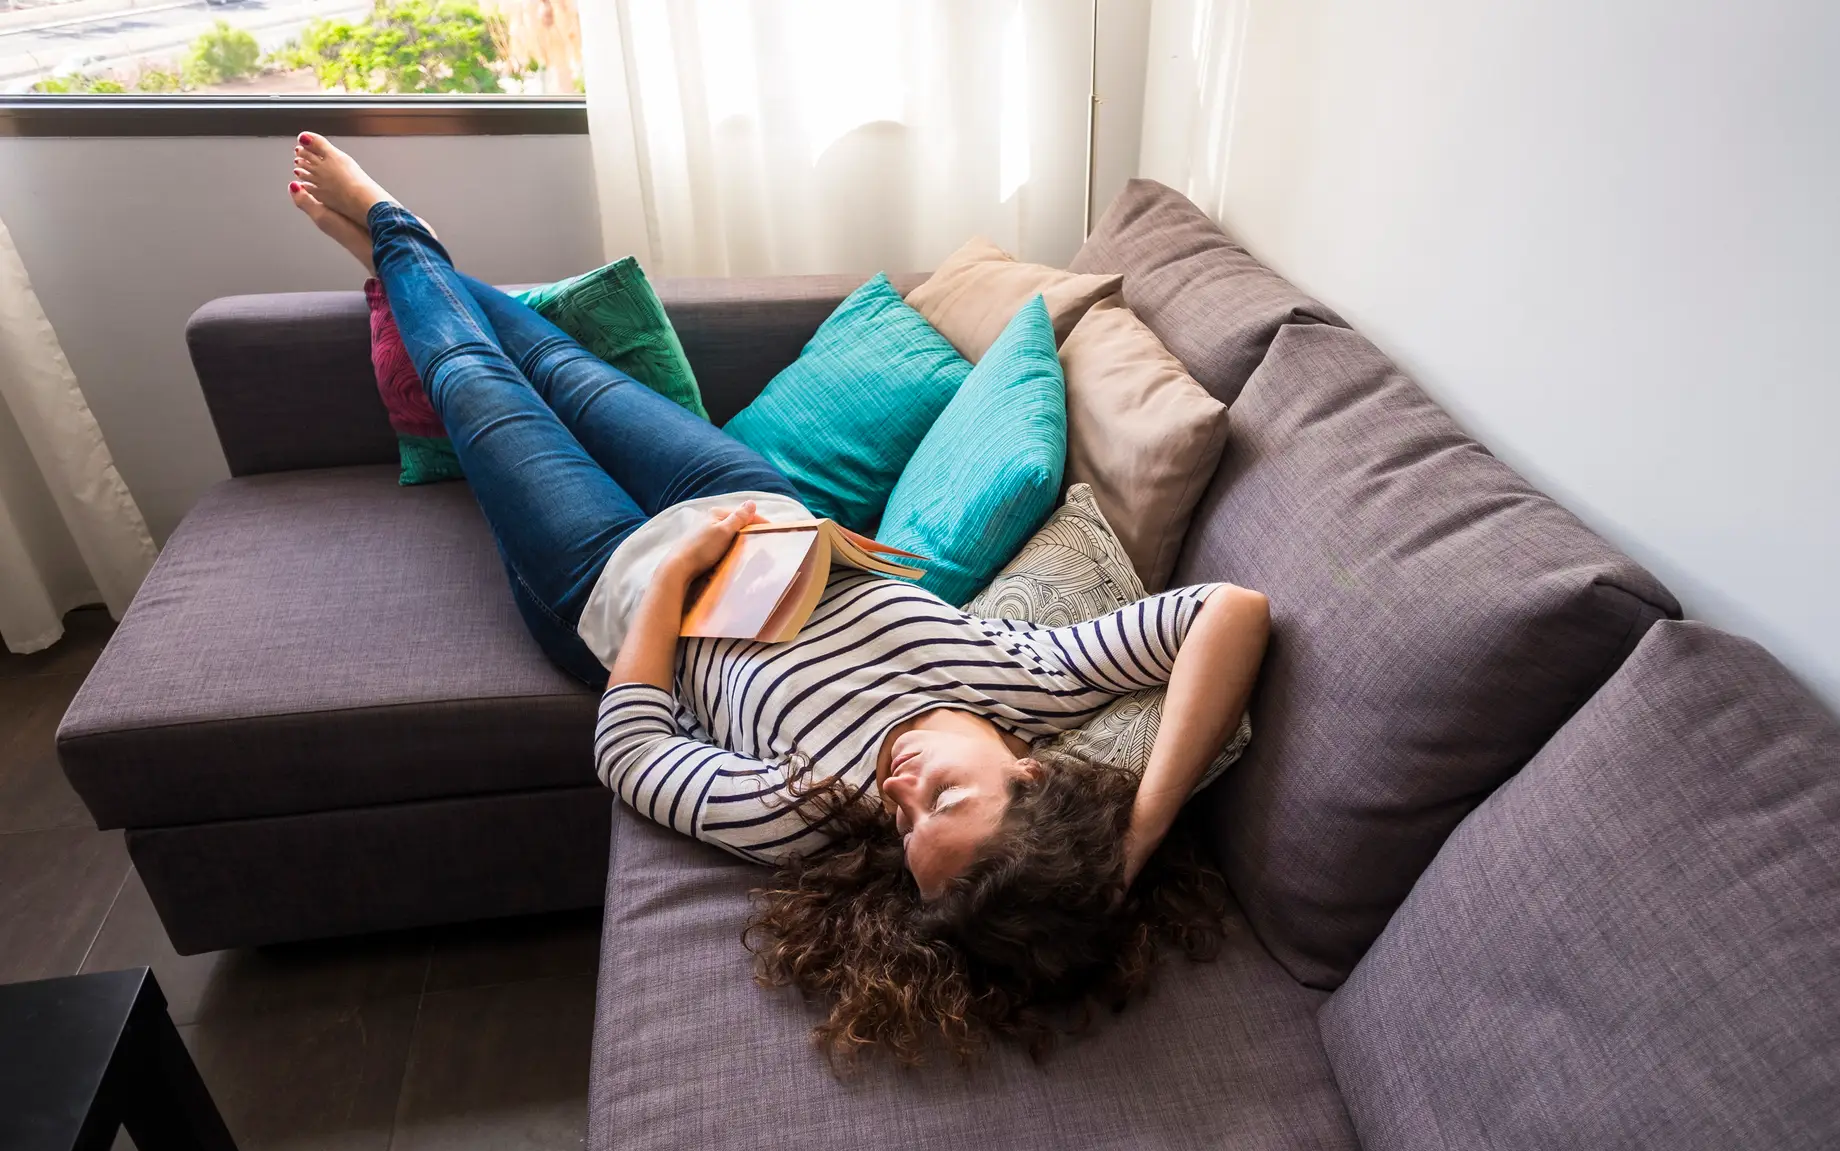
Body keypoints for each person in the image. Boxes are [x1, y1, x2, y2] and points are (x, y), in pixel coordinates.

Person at [287, 133, 1271, 1063]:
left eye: (908, 831)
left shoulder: (812, 811)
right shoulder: (1025, 678)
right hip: (744, 503)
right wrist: (1139, 832)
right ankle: (405, 260)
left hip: (612, 579)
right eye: (942, 798)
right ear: (1031, 771)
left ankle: (393, 236)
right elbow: (1227, 612)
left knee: (473, 379)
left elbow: (630, 757)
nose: (900, 795)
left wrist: (675, 576)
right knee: (555, 362)